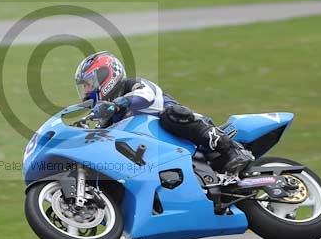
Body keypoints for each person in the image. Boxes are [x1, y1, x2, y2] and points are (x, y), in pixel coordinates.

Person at [74, 50, 253, 175]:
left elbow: (145, 96)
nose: (86, 92)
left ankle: (232, 150)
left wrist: (118, 104)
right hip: (164, 157)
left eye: (88, 84)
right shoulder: (110, 119)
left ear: (106, 76)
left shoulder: (134, 85)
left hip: (190, 131)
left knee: (172, 115)